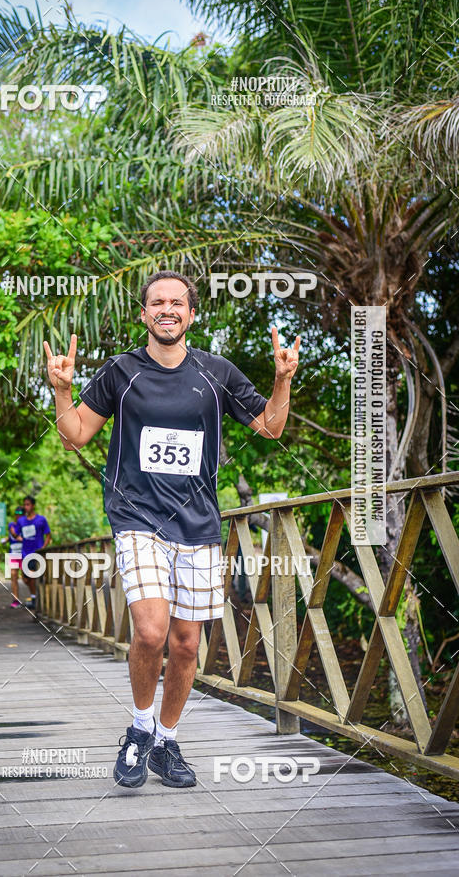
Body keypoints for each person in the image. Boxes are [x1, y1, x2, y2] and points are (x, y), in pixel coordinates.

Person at [43, 270, 300, 789]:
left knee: (185, 645)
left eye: (176, 302)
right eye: (157, 302)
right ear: (144, 313)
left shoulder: (217, 372)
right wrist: (62, 391)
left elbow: (271, 427)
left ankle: (166, 741)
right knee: (151, 631)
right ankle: (139, 730)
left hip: (198, 524)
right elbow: (74, 437)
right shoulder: (121, 371)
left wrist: (282, 380)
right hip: (137, 519)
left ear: (191, 314)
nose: (167, 309)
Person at [16, 496, 51, 610]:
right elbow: (16, 534)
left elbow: (48, 535)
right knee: (26, 579)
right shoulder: (21, 521)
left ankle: (36, 598)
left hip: (37, 553)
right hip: (25, 553)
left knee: (34, 576)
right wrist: (16, 535)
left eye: (28, 504)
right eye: (24, 505)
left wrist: (43, 548)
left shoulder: (41, 520)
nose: (26, 507)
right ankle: (36, 596)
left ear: (33, 506)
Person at [8, 506, 25, 608]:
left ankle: (34, 598)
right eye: (16, 514)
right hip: (14, 553)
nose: (18, 516)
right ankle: (16, 600)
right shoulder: (12, 525)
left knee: (26, 577)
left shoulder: (26, 525)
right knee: (13, 576)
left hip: (24, 553)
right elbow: (14, 534)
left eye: (20, 514)